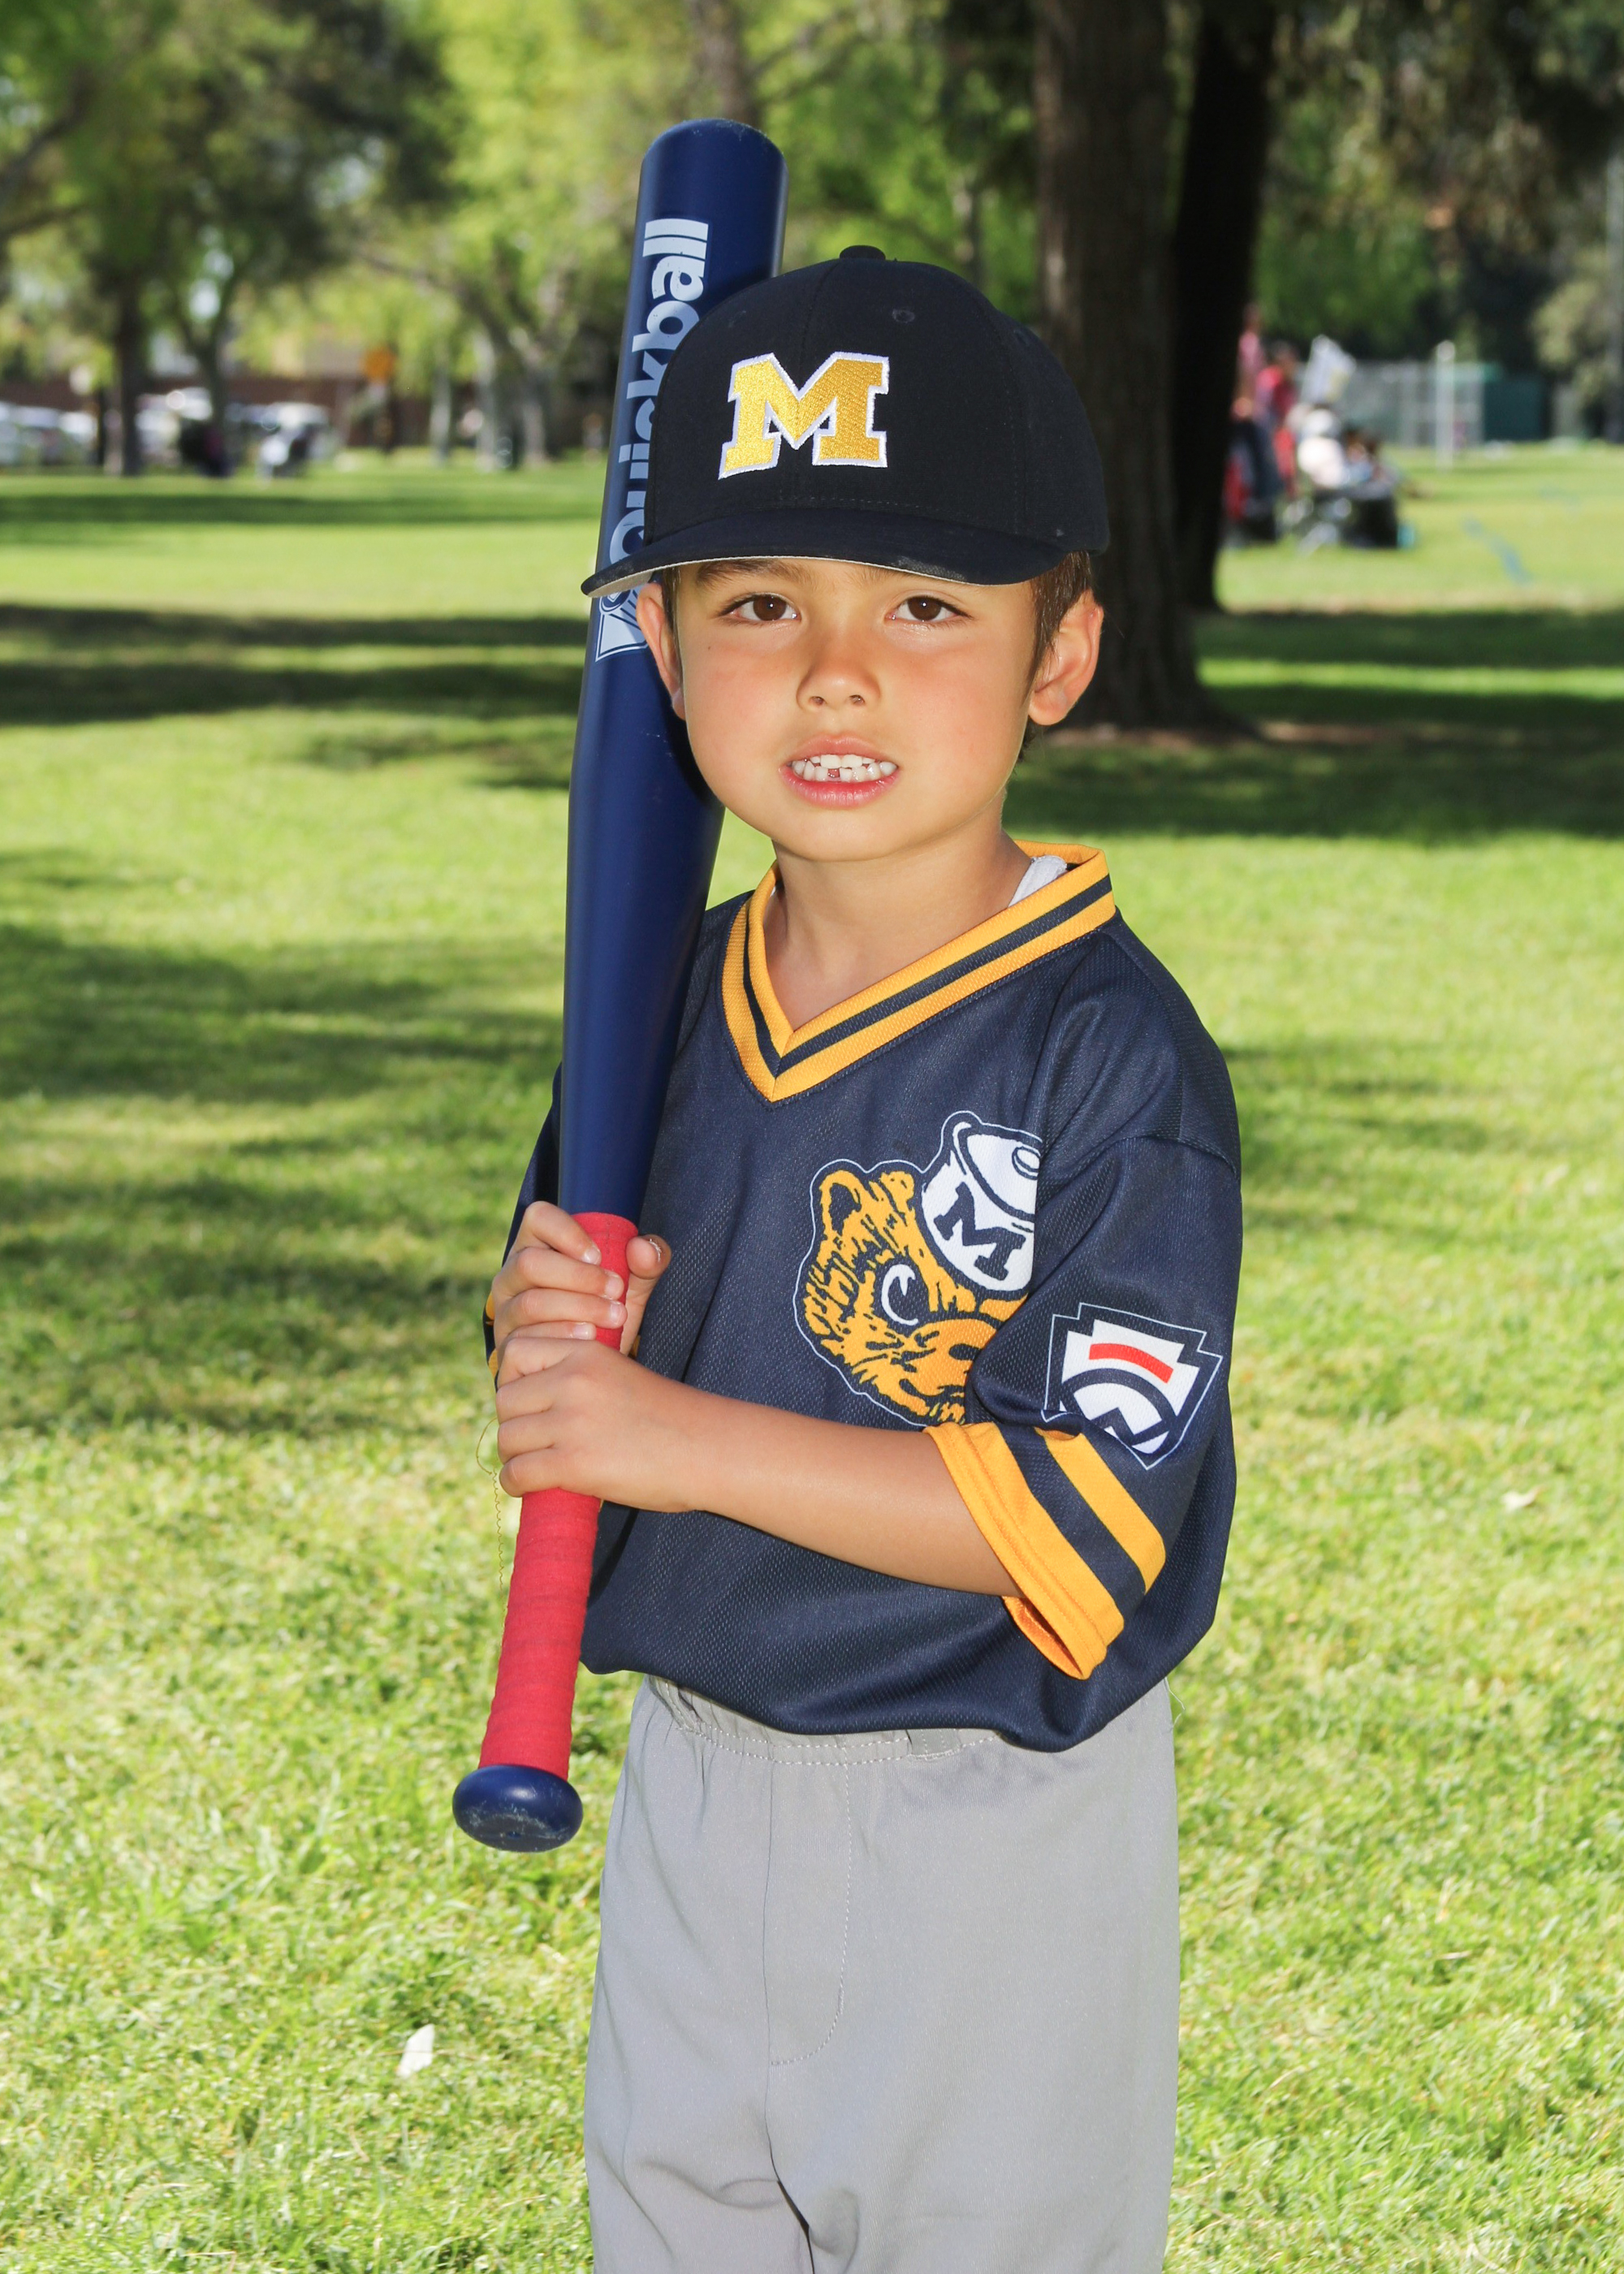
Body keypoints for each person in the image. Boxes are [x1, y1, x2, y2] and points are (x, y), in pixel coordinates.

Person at [485, 248, 1242, 2274]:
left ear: (1060, 654)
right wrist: (545, 1330)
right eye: (759, 603)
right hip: (695, 1784)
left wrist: (662, 1433)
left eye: (924, 604)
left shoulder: (1108, 1057)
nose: (835, 672)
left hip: (983, 1828)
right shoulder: (654, 993)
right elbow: (567, 1334)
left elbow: (1067, 1517)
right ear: (660, 642)